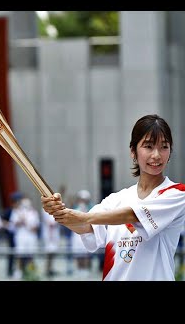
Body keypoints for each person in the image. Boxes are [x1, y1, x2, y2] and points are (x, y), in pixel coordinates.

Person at [42, 114, 185, 281]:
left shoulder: (176, 193)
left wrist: (85, 216)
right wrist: (58, 211)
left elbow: (133, 215)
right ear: (133, 151)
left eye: (164, 147)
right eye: (148, 146)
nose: (156, 155)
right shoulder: (117, 199)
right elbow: (85, 226)